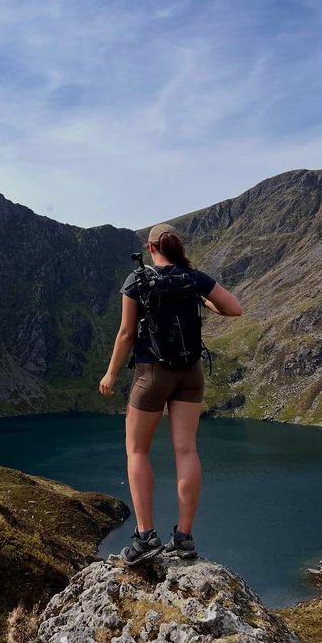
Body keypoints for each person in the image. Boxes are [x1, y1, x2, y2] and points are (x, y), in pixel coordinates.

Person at [99, 222, 242, 566]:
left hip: (152, 372)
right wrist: (203, 300)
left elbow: (126, 333)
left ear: (150, 248)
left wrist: (111, 373)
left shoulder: (137, 280)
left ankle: (145, 537)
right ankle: (184, 538)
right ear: (177, 246)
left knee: (137, 450)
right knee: (186, 450)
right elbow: (234, 308)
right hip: (191, 372)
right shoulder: (194, 278)